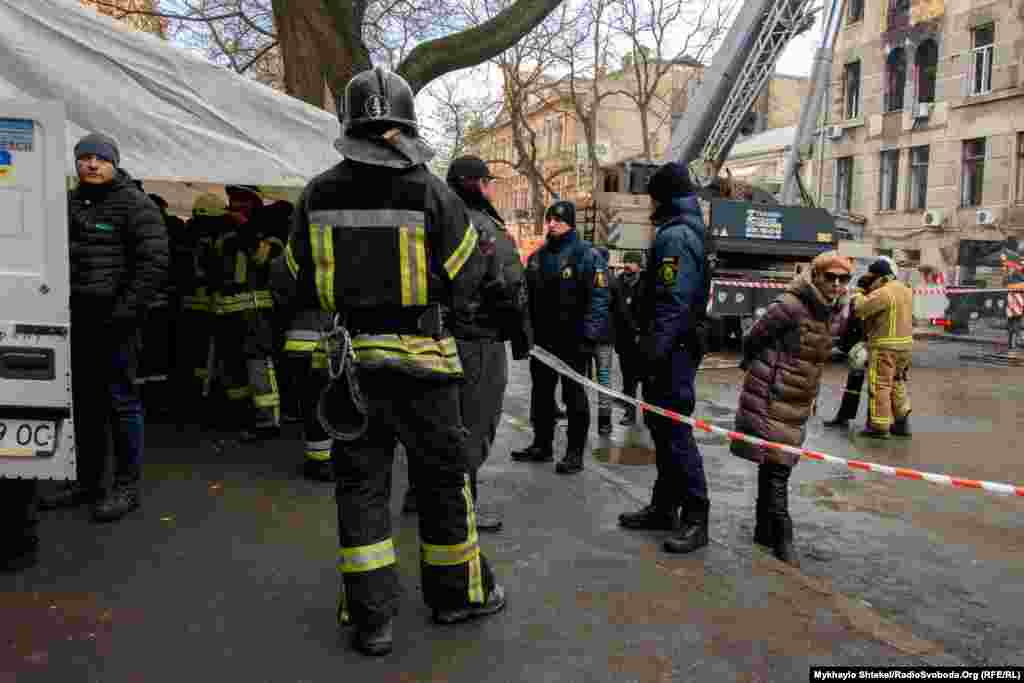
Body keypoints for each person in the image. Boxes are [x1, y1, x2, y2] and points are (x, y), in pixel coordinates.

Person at [284, 66, 504, 656]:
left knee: (361, 490)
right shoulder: (431, 191)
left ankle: (371, 619)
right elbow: (468, 275)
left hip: (353, 371)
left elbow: (294, 279)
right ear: (404, 125)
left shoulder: (317, 193)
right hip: (427, 370)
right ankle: (456, 596)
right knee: (442, 483)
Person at [44, 132, 168, 522]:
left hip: (117, 323)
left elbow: (154, 264)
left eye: (100, 158)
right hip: (76, 320)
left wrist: (125, 312)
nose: (92, 165)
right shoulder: (67, 203)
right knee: (84, 404)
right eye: (85, 158)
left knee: (121, 402)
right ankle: (88, 483)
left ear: (113, 163)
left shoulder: (134, 204)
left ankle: (126, 487)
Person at [404, 155, 532, 530]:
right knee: (473, 425)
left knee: (435, 420)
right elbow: (509, 287)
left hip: (433, 335)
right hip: (478, 340)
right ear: (477, 184)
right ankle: (462, 511)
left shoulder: (432, 220)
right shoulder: (481, 226)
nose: (492, 187)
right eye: (488, 181)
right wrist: (520, 335)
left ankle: (420, 493)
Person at [732, 251, 852, 566]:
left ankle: (763, 531)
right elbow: (753, 338)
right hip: (773, 394)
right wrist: (760, 370)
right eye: (831, 277)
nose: (837, 285)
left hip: (800, 398)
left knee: (772, 462)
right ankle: (783, 538)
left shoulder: (836, 311)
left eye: (843, 279)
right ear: (816, 276)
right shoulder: (789, 305)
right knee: (778, 466)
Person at [618, 162, 710, 554]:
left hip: (672, 353)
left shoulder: (676, 236)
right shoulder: (681, 230)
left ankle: (695, 517)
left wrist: (652, 353)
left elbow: (673, 302)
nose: (649, 204)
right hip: (670, 350)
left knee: (675, 434)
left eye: (652, 196)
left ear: (664, 196)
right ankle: (663, 506)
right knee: (662, 431)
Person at [511, 201, 610, 475]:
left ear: (570, 223)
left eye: (558, 219)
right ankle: (541, 445)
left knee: (574, 397)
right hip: (543, 343)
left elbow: (600, 299)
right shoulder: (537, 258)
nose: (552, 224)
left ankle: (574, 453)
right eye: (549, 219)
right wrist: (524, 334)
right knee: (541, 396)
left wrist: (589, 336)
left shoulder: (587, 256)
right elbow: (525, 300)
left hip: (574, 342)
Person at [852, 258, 914, 439]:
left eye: (874, 278)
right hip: (905, 347)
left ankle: (878, 427)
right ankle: (902, 423)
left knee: (880, 385)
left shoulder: (884, 293)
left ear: (882, 278)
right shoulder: (906, 290)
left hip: (885, 346)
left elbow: (861, 309)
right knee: (897, 382)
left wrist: (858, 293)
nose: (872, 282)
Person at [612, 251, 645, 425]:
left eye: (632, 262)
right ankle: (629, 412)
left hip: (642, 339)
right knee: (628, 377)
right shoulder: (617, 283)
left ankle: (642, 414)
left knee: (642, 378)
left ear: (639, 266)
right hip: (624, 339)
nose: (628, 265)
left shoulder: (645, 284)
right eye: (626, 262)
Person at [592, 246, 616, 435]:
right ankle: (604, 422)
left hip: (586, 336)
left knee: (579, 378)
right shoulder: (613, 280)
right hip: (606, 338)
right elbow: (620, 311)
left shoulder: (585, 276)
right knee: (604, 378)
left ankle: (576, 413)